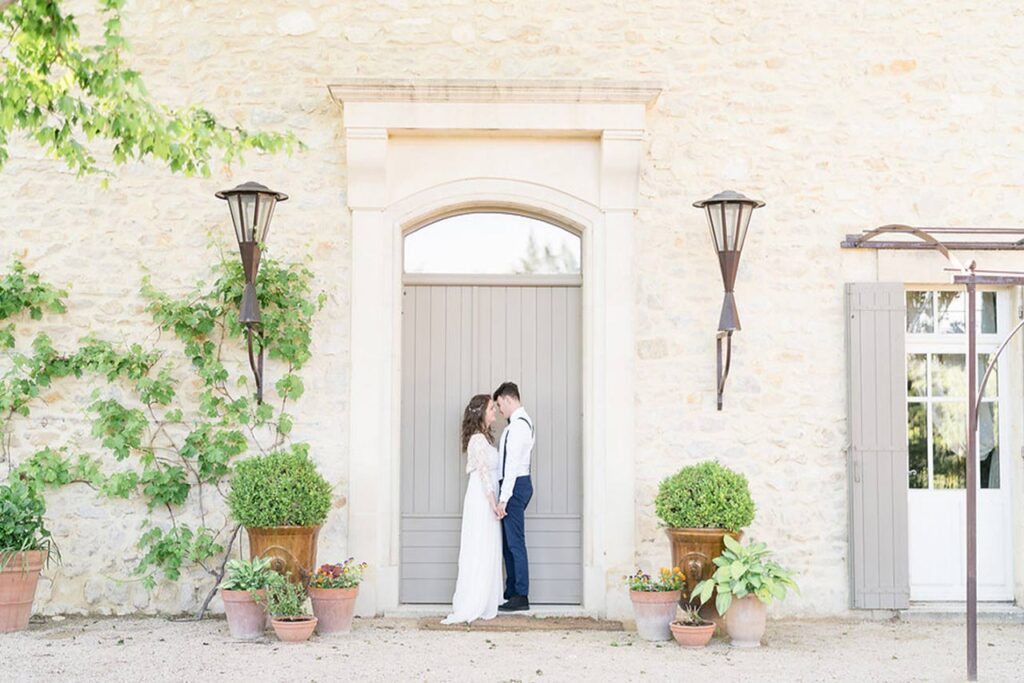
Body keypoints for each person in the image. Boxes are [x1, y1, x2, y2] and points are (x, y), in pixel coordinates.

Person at [440, 394, 503, 624]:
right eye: (491, 408)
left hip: (487, 496)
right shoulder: (477, 440)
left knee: (487, 545)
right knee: (479, 544)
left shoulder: (484, 438)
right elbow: (485, 474)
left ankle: (486, 597)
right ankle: (473, 600)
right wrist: (493, 503)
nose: (494, 412)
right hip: (482, 498)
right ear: (481, 413)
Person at [493, 381, 535, 612]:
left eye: (500, 405)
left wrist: (503, 498)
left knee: (515, 542)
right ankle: (511, 591)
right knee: (510, 543)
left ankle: (521, 594)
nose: (500, 410)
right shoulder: (519, 424)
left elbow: (511, 466)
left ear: (508, 400)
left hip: (515, 486)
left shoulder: (518, 426)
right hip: (516, 485)